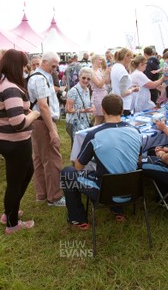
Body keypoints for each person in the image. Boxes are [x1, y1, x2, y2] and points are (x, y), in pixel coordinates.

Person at [61, 93, 142, 229]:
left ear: (103, 110)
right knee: (118, 169)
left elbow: (79, 167)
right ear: (122, 111)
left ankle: (78, 219)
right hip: (133, 190)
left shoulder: (94, 135)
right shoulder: (136, 131)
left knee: (67, 172)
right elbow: (138, 161)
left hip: (105, 193)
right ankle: (118, 210)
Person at [0, 49, 40, 234]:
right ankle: (12, 223)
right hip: (15, 142)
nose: (25, 69)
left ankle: (11, 210)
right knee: (15, 183)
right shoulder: (10, 88)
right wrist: (33, 114)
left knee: (26, 172)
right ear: (16, 66)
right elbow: (18, 122)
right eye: (24, 65)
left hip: (1, 139)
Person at [27, 51, 66, 207]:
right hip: (43, 121)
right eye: (53, 65)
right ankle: (55, 197)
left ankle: (42, 194)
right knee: (52, 159)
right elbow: (43, 105)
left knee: (39, 158)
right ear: (44, 62)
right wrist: (52, 130)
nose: (55, 69)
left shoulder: (37, 76)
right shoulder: (40, 79)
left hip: (38, 121)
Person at [65, 67, 96, 145]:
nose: (86, 80)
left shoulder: (87, 90)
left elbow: (86, 103)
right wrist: (82, 110)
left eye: (88, 79)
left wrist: (92, 106)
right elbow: (68, 109)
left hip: (84, 122)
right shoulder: (73, 91)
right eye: (84, 78)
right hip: (74, 123)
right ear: (79, 77)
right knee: (76, 146)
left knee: (83, 145)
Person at [110, 48, 139, 116]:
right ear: (126, 57)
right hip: (124, 105)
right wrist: (133, 89)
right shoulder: (122, 71)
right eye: (130, 58)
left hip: (118, 103)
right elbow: (123, 93)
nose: (131, 60)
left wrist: (130, 88)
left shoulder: (115, 67)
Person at [90, 54, 110, 126]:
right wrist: (105, 74)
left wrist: (108, 74)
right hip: (98, 96)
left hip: (104, 95)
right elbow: (99, 85)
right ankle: (94, 134)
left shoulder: (99, 70)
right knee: (99, 118)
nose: (101, 61)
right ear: (95, 60)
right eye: (100, 60)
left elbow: (106, 82)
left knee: (104, 117)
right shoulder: (91, 72)